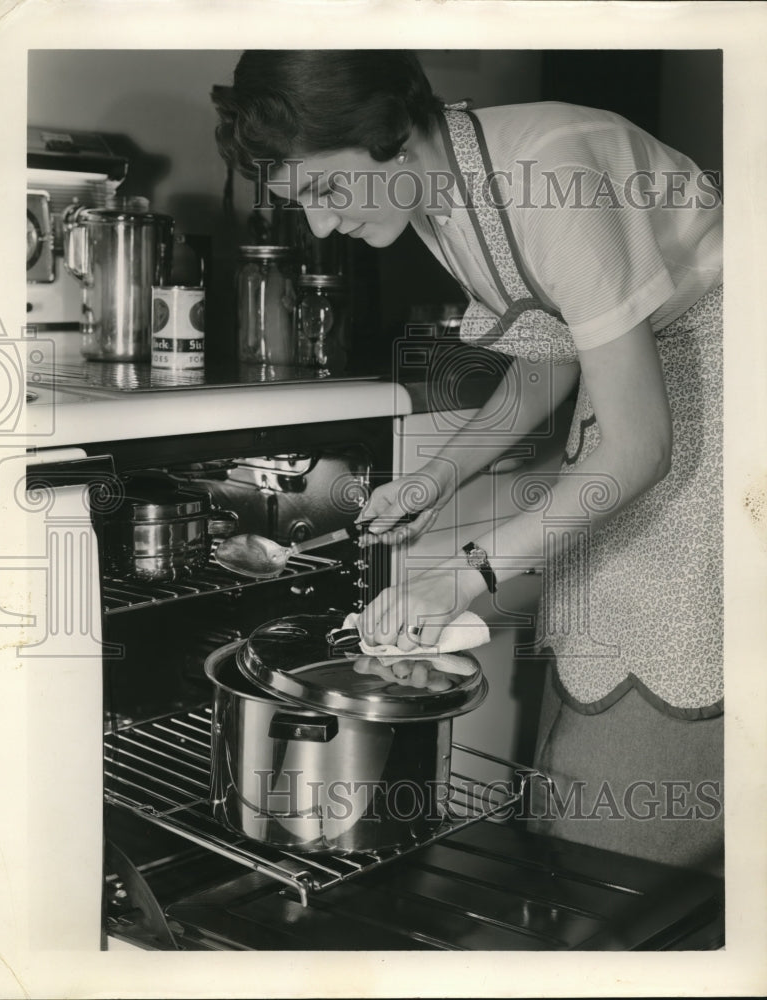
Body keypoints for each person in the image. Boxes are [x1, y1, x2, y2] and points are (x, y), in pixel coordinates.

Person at [212, 50, 724, 874]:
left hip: (727, 393)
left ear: (390, 136)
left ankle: (629, 892)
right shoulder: (445, 192)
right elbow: (554, 355)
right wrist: (433, 479)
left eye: (325, 190)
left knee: (662, 666)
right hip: (653, 393)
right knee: (603, 642)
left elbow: (642, 447)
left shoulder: (550, 169)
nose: (318, 226)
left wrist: (463, 574)